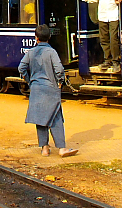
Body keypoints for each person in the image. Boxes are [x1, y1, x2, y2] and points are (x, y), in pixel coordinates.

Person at [18, 24, 78, 158]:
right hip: (50, 88)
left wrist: (29, 80)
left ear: (36, 38)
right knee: (56, 117)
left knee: (40, 118)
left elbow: (21, 67)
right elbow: (59, 69)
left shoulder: (31, 52)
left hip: (36, 88)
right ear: (49, 38)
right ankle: (62, 148)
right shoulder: (51, 52)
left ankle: (44, 148)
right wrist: (60, 82)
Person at [76, 0, 122, 71]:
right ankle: (107, 60)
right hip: (102, 15)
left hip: (114, 15)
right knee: (104, 39)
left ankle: (116, 61)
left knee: (114, 39)